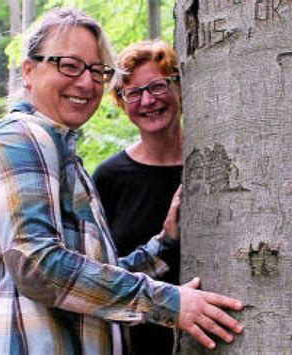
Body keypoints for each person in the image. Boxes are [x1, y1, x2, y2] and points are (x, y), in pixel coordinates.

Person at [0, 7, 243, 355]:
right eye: (69, 65)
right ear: (28, 71)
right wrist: (170, 302)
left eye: (97, 70)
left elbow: (93, 280)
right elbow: (38, 266)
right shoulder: (20, 139)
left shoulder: (65, 158)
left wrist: (162, 246)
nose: (87, 82)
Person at [92, 39, 182, 354]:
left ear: (179, 87)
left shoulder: (212, 165)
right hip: (133, 344)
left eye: (158, 87)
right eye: (133, 93)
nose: (147, 101)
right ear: (121, 102)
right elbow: (98, 274)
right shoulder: (108, 178)